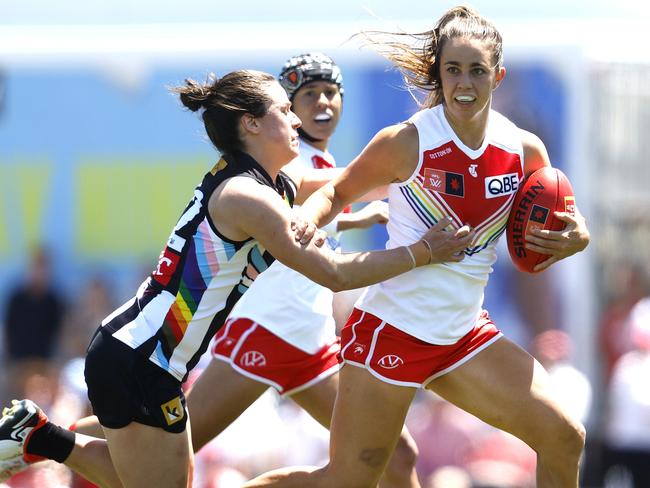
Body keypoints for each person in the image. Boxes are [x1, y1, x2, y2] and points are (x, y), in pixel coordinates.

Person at [0, 68, 470, 487]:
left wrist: (434, 146)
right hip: (141, 358)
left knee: (155, 479)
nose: (298, 121)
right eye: (286, 110)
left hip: (141, 353)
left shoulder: (266, 181)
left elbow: (353, 180)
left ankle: (40, 437)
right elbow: (335, 274)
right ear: (251, 124)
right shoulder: (249, 197)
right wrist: (423, 252)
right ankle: (40, 437)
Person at [244, 6, 590, 488]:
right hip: (392, 331)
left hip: (465, 336)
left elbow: (556, 223)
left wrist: (577, 237)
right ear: (438, 74)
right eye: (453, 69)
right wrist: (304, 220)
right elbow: (336, 192)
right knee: (345, 479)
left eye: (477, 70)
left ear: (499, 75)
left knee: (564, 438)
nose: (464, 83)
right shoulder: (407, 142)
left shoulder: (524, 149)